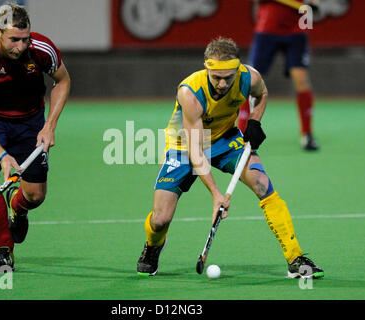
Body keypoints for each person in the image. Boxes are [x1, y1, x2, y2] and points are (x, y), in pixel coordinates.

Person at [136, 37, 324, 279]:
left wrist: (255, 120)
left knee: (262, 183)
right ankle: (152, 247)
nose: (223, 84)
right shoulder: (190, 93)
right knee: (160, 219)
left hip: (226, 139)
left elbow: (262, 93)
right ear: (207, 69)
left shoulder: (250, 77)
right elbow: (196, 151)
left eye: (229, 77)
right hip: (185, 146)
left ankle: (295, 259)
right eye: (217, 78)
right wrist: (216, 194)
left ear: (238, 69)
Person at [0, 3, 70, 273]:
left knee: (35, 195)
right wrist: (2, 155)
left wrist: (49, 126)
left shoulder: (42, 49)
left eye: (25, 39)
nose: (21, 46)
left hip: (31, 122)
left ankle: (17, 209)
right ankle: (3, 250)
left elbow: (63, 81)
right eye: (14, 40)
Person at [237, 0, 319, 150]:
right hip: (267, 28)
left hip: (297, 29)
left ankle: (307, 134)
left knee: (301, 80)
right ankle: (241, 134)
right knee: (251, 82)